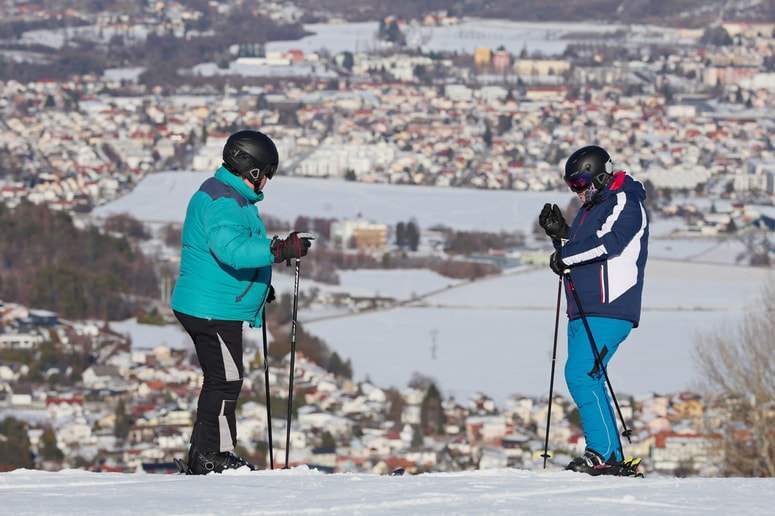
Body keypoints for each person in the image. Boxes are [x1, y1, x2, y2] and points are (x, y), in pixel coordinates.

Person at [171, 130, 313, 474]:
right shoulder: (224, 202)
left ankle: (203, 453)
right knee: (225, 381)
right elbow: (232, 250)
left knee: (219, 379)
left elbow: (226, 254)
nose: (267, 181)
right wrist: (279, 249)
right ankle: (213, 456)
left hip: (210, 303)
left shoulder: (224, 193)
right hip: (212, 310)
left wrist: (257, 288)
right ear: (252, 169)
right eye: (267, 173)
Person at [538, 145, 648, 476]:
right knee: (589, 376)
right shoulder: (592, 208)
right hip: (583, 308)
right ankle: (609, 456)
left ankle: (602, 453)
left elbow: (609, 243)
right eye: (572, 185)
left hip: (609, 306)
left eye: (581, 183)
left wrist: (564, 255)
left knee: (581, 374)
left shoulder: (625, 201)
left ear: (600, 175)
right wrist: (562, 237)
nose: (578, 191)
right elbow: (579, 251)